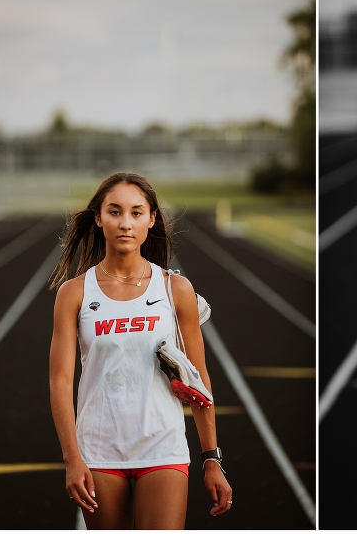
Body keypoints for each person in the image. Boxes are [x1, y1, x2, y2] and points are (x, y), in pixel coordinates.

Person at [49, 172, 232, 529]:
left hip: (162, 446)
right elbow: (59, 381)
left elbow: (198, 377)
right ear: (99, 218)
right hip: (99, 449)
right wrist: (72, 458)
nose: (125, 223)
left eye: (136, 213)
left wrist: (212, 458)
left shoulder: (176, 288)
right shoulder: (74, 293)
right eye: (115, 212)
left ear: (151, 219)